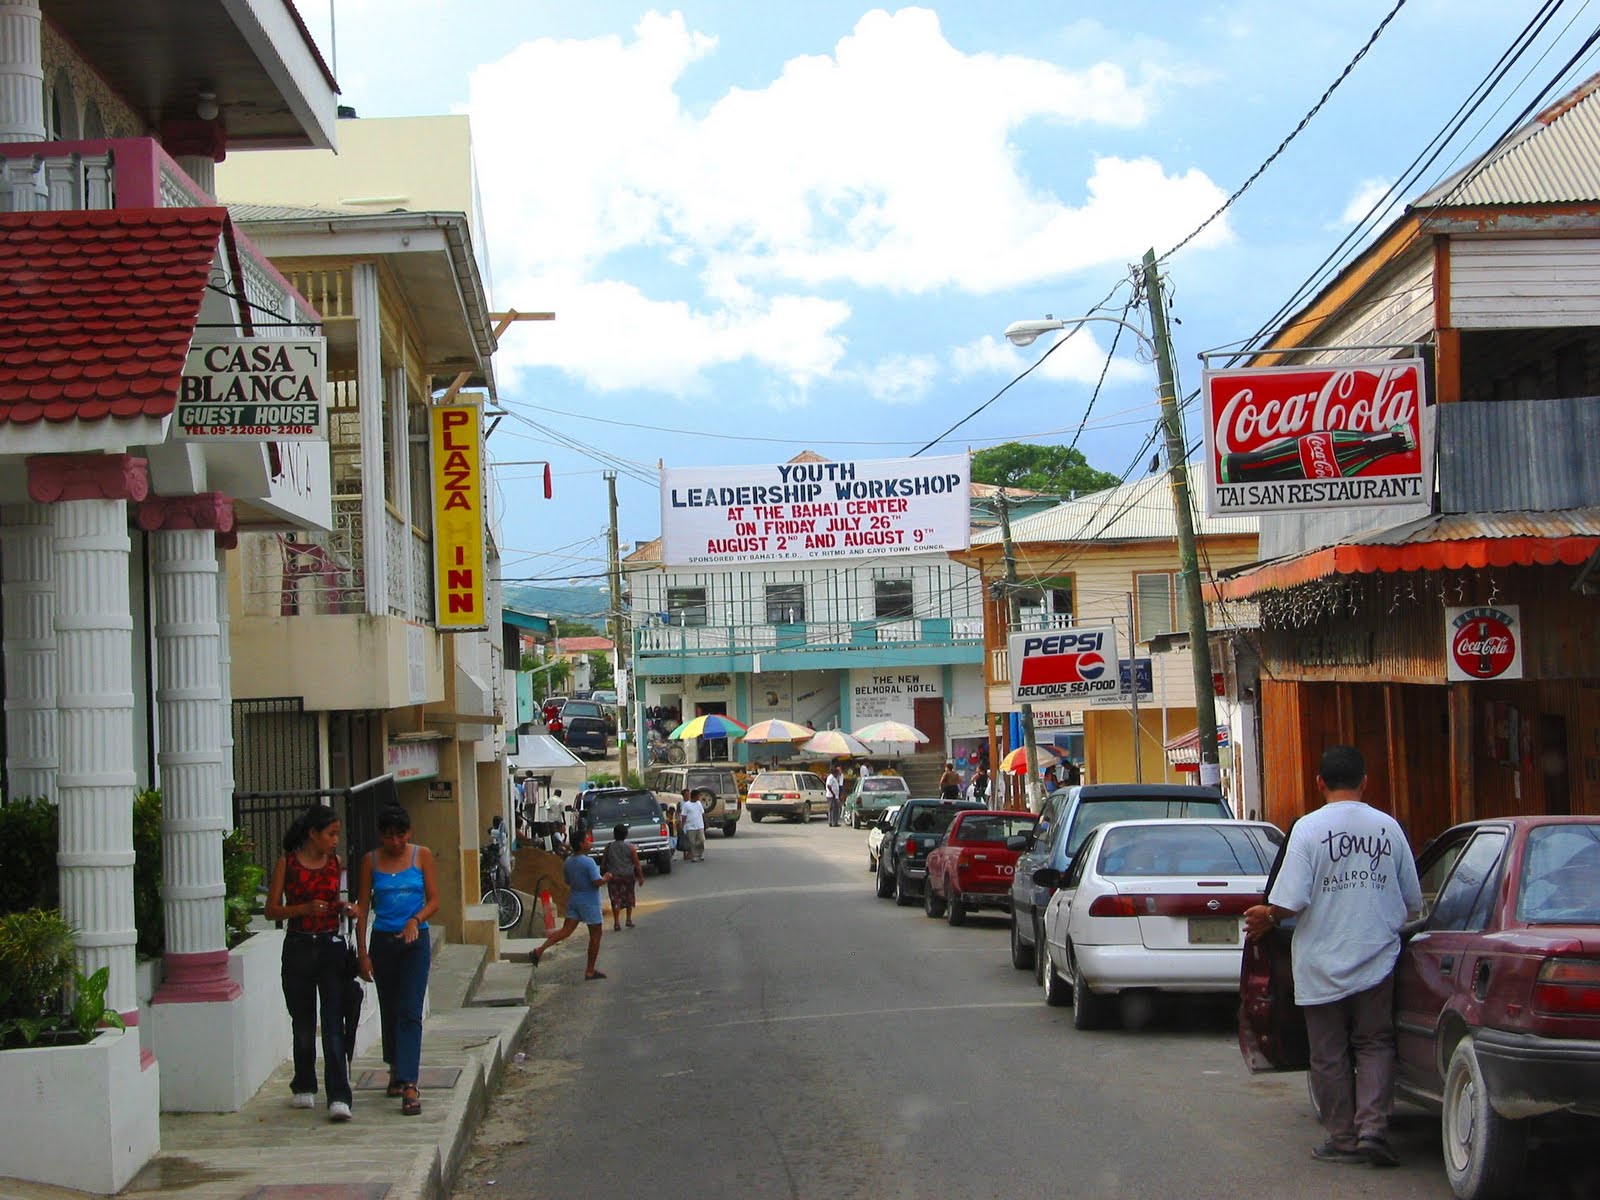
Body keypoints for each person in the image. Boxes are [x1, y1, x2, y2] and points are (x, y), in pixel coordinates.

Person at [1244, 745, 1421, 1169]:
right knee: (1375, 1042)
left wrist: (1269, 915)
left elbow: (1290, 900)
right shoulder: (1389, 828)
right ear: (1365, 781)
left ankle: (1343, 1136)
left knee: (1328, 1051)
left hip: (1320, 960)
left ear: (1319, 782)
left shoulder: (1307, 829)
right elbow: (1412, 901)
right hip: (1376, 954)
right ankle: (1374, 1130)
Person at [264, 804, 355, 1122]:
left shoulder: (335, 863)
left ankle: (339, 1095)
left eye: (337, 834)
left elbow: (333, 900)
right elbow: (272, 909)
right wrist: (302, 909)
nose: (334, 841)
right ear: (313, 834)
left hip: (331, 945)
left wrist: (343, 908)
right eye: (330, 834)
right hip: (299, 947)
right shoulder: (287, 864)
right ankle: (304, 1082)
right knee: (302, 1022)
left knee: (333, 1022)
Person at [357, 804, 440, 1118]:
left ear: (409, 833)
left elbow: (434, 899)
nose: (396, 842)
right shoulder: (371, 861)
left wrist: (414, 921)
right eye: (390, 837)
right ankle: (394, 1066)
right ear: (381, 836)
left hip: (415, 941)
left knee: (409, 1011)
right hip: (383, 942)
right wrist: (362, 953)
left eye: (401, 835)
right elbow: (363, 908)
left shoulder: (422, 856)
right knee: (390, 1008)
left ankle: (409, 1083)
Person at [530, 826, 612, 980]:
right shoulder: (588, 862)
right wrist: (607, 877)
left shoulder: (568, 861)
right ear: (581, 844)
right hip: (590, 902)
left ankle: (539, 950)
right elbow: (596, 881)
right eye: (587, 840)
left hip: (574, 899)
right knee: (595, 934)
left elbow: (567, 881)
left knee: (565, 931)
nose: (589, 842)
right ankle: (590, 970)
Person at [603, 823, 643, 931]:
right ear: (626, 835)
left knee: (615, 899)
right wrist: (640, 877)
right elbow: (637, 864)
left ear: (614, 834)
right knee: (629, 896)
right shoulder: (630, 847)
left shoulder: (608, 847)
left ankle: (616, 922)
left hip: (613, 877)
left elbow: (604, 863)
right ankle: (628, 920)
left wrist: (604, 874)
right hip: (628, 876)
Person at [678, 788, 707, 862]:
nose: (699, 797)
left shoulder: (699, 803)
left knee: (701, 840)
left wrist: (705, 822)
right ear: (694, 796)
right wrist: (682, 826)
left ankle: (700, 854)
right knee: (692, 842)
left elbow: (702, 813)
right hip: (690, 826)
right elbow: (683, 816)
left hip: (700, 825)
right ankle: (694, 856)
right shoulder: (686, 805)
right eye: (698, 795)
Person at [488, 814, 510, 882]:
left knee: (504, 870)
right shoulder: (502, 832)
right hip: (502, 853)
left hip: (500, 853)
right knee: (506, 870)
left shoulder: (498, 832)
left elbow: (490, 831)